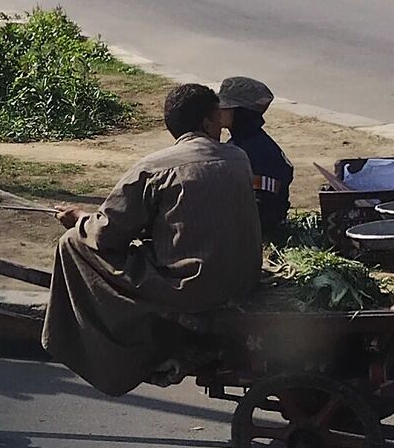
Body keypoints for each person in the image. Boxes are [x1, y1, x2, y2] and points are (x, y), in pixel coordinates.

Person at [44, 83, 265, 396]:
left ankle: (118, 346)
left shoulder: (153, 168)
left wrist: (79, 219)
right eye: (218, 118)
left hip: (192, 288)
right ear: (206, 123)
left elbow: (106, 234)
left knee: (71, 243)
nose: (222, 125)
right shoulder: (238, 157)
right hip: (244, 280)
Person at [217, 76, 293, 233]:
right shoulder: (243, 142)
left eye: (226, 107)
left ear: (240, 113)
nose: (219, 111)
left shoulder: (258, 152)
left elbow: (263, 206)